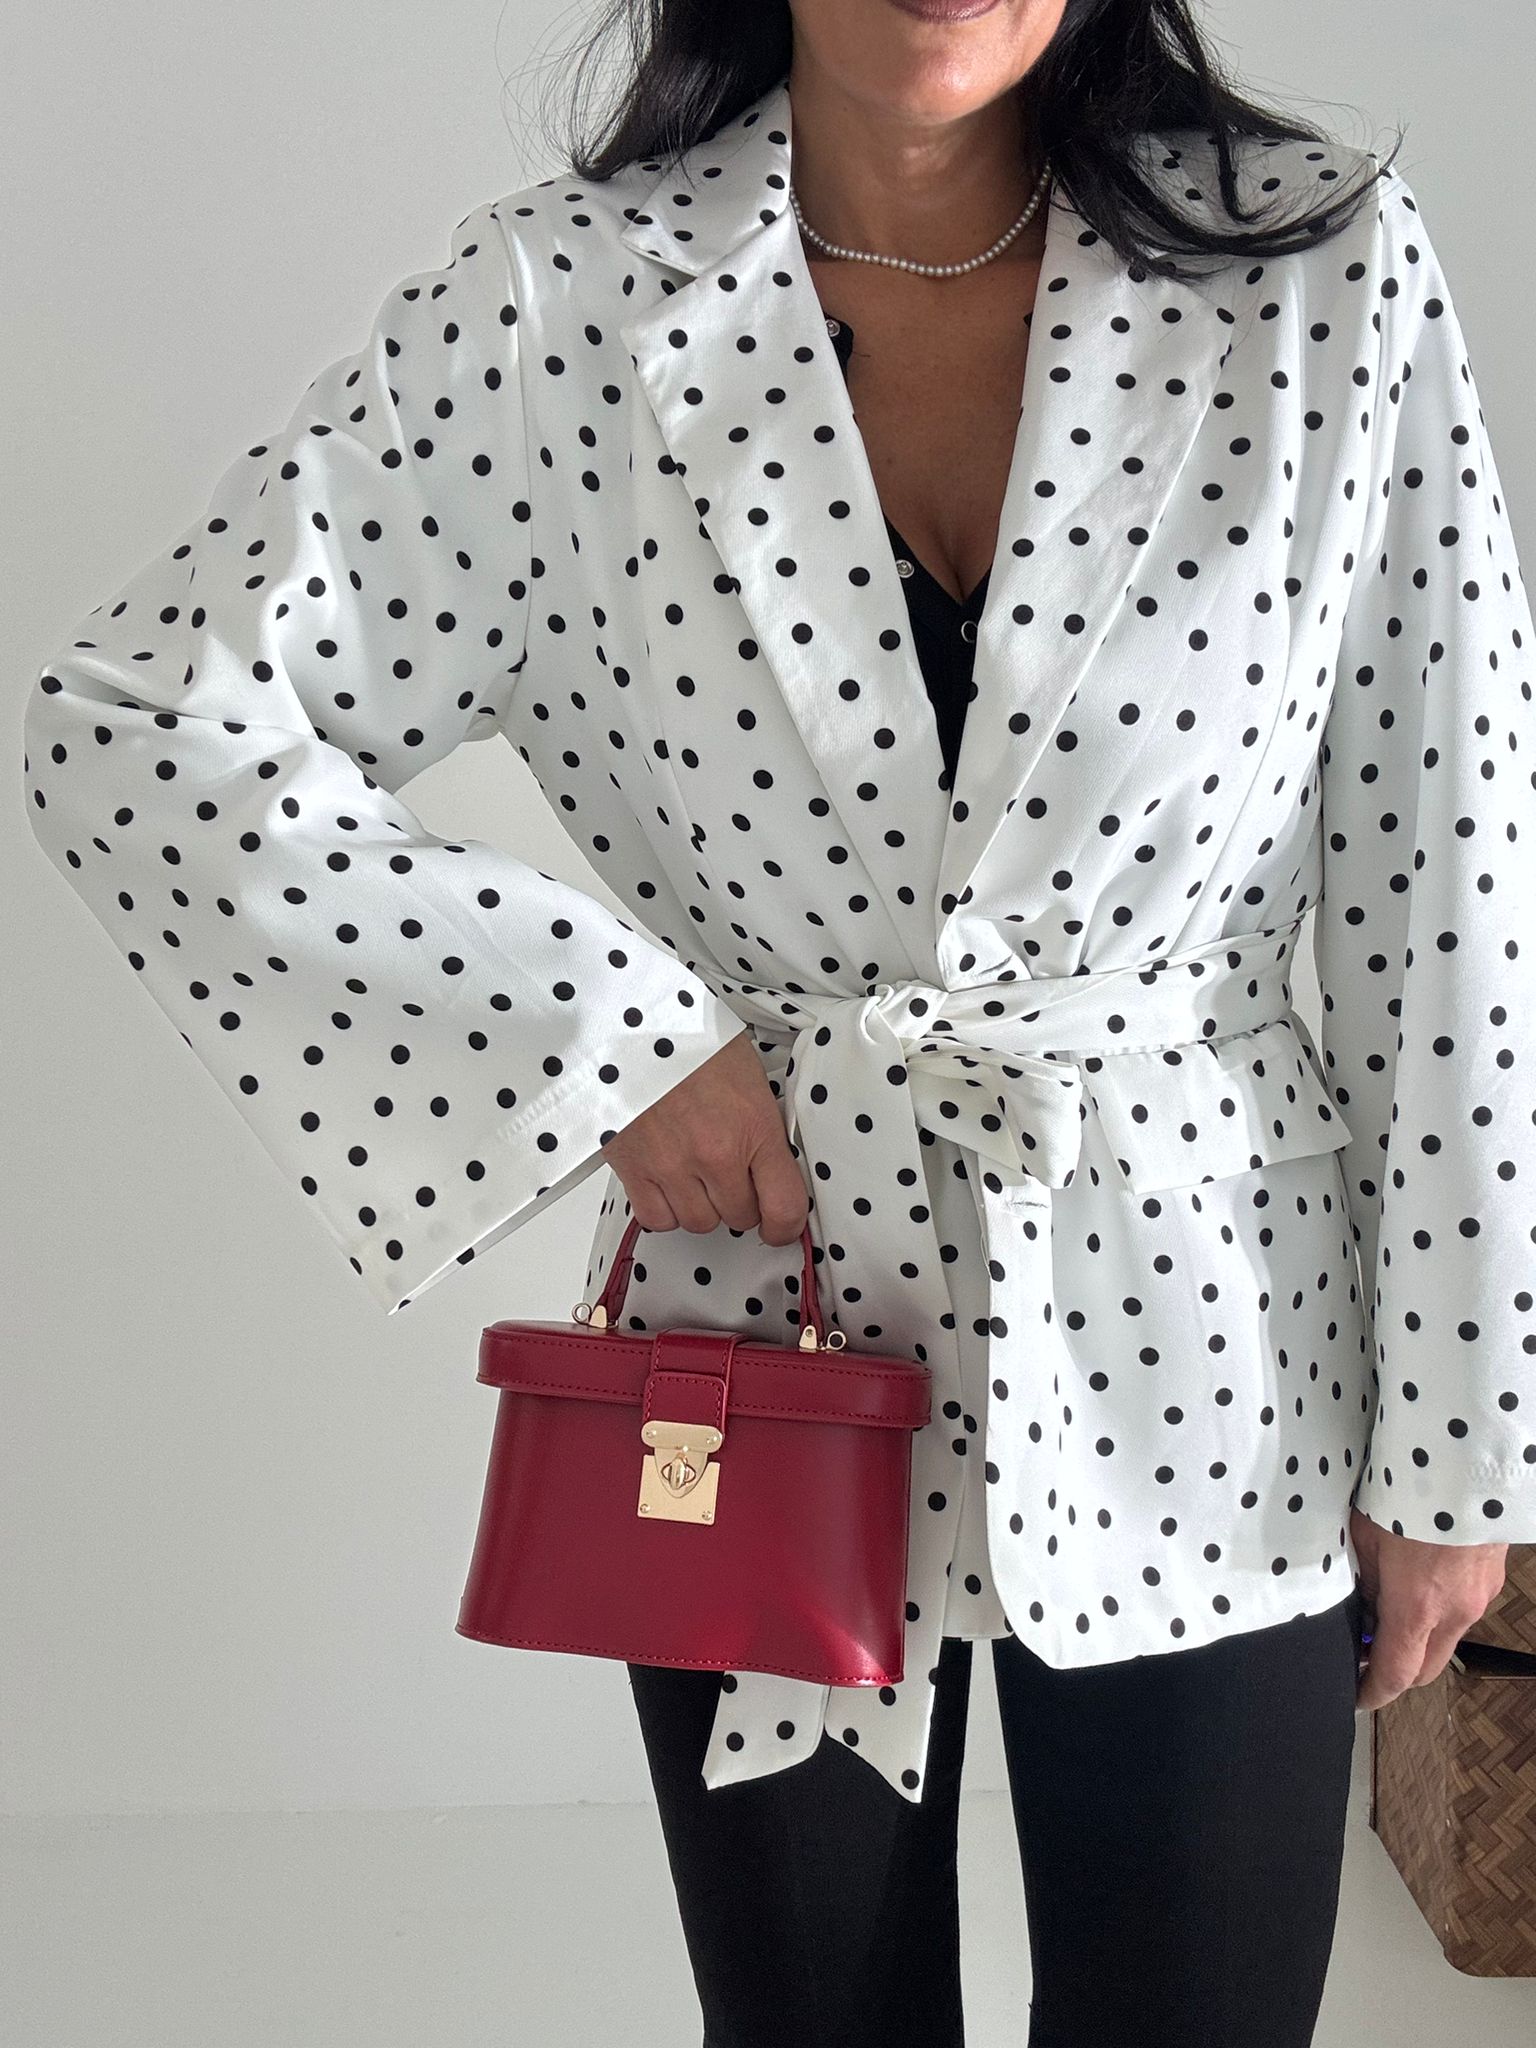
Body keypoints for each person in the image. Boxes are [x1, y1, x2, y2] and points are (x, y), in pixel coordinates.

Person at [21, 3, 1526, 2043]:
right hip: (765, 1326)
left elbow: (1454, 870)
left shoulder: (1318, 271)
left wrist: (1464, 1438)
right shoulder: (558, 310)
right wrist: (607, 1037)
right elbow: (138, 726)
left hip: (1216, 1336)